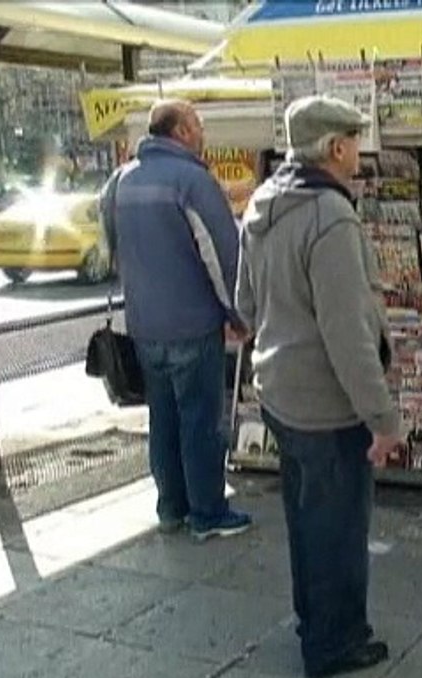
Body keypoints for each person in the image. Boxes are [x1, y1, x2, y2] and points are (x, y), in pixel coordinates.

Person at [235, 95, 401, 678]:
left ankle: (315, 621)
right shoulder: (330, 216)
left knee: (307, 521)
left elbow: (244, 304)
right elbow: (348, 334)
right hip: (328, 406)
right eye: (355, 139)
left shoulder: (262, 202)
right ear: (335, 147)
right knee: (338, 528)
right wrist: (382, 419)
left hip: (279, 392)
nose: (360, 149)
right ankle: (335, 645)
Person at [99, 99, 252, 541]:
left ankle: (171, 507)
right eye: (198, 124)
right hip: (191, 323)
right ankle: (207, 512)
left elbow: (111, 246)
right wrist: (236, 313)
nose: (202, 133)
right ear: (181, 130)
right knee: (201, 421)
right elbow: (224, 256)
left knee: (162, 419)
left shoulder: (120, 180)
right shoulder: (192, 180)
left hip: (144, 325)